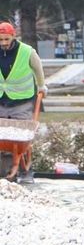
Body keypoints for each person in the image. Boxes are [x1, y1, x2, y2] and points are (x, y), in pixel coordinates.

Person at [0, 21, 47, 181]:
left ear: (13, 36)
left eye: (6, 39)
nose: (3, 43)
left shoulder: (27, 52)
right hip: (1, 100)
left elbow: (38, 68)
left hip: (22, 101)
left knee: (20, 138)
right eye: (0, 40)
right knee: (4, 139)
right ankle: (6, 170)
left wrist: (41, 86)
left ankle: (25, 171)